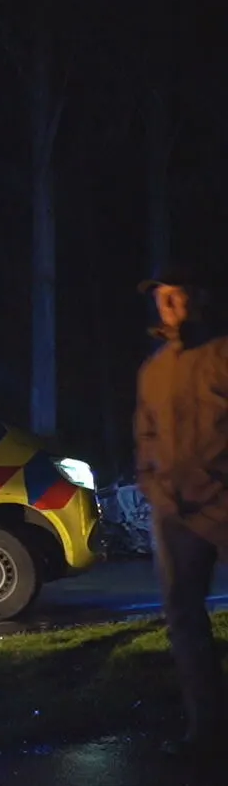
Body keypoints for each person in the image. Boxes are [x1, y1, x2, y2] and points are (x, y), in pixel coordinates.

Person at [134, 266, 228, 758]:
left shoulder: (223, 355)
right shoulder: (155, 369)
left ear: (202, 297)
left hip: (224, 504)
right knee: (185, 619)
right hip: (175, 513)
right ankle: (206, 729)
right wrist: (155, 488)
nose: (168, 308)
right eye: (163, 299)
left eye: (178, 297)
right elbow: (146, 434)